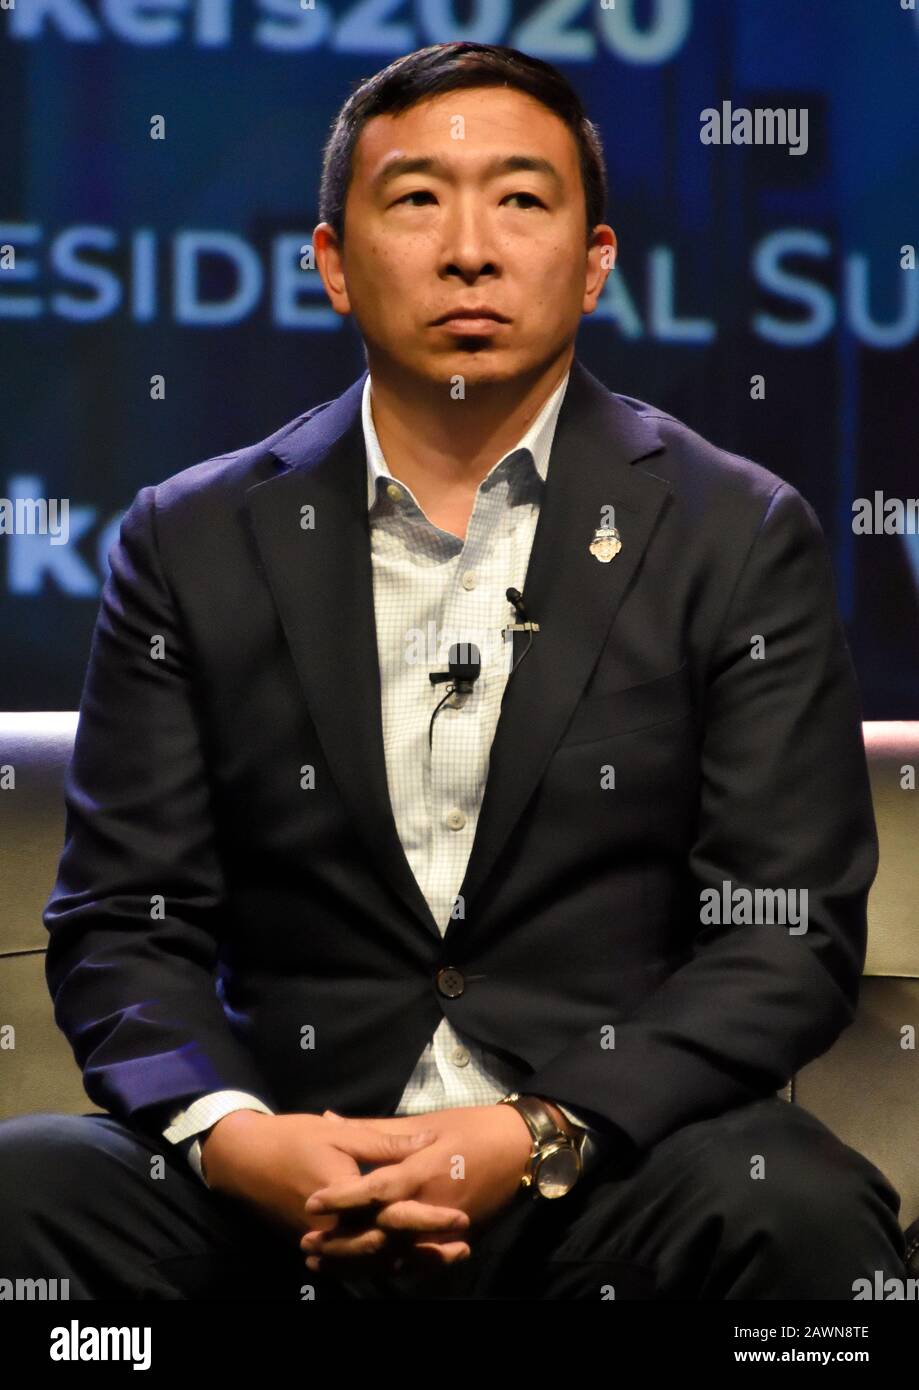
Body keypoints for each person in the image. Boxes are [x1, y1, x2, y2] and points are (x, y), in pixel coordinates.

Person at [0, 42, 907, 1301]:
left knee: (798, 1212)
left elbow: (783, 934)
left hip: (600, 1175)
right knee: (27, 1195)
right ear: (329, 262)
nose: (469, 247)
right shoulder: (189, 538)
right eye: (417, 199)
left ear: (594, 266)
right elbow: (122, 921)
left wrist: (533, 1132)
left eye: (522, 201)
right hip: (287, 1183)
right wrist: (242, 1140)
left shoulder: (734, 532)